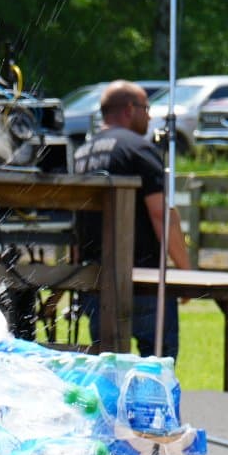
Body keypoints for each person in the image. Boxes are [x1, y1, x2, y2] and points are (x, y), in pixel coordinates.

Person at [74, 80, 192, 357]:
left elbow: (77, 226)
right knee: (157, 365)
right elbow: (161, 214)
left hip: (99, 284)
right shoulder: (138, 149)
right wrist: (186, 273)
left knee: (109, 365)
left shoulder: (81, 154)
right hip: (144, 282)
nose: (149, 117)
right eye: (146, 109)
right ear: (129, 109)